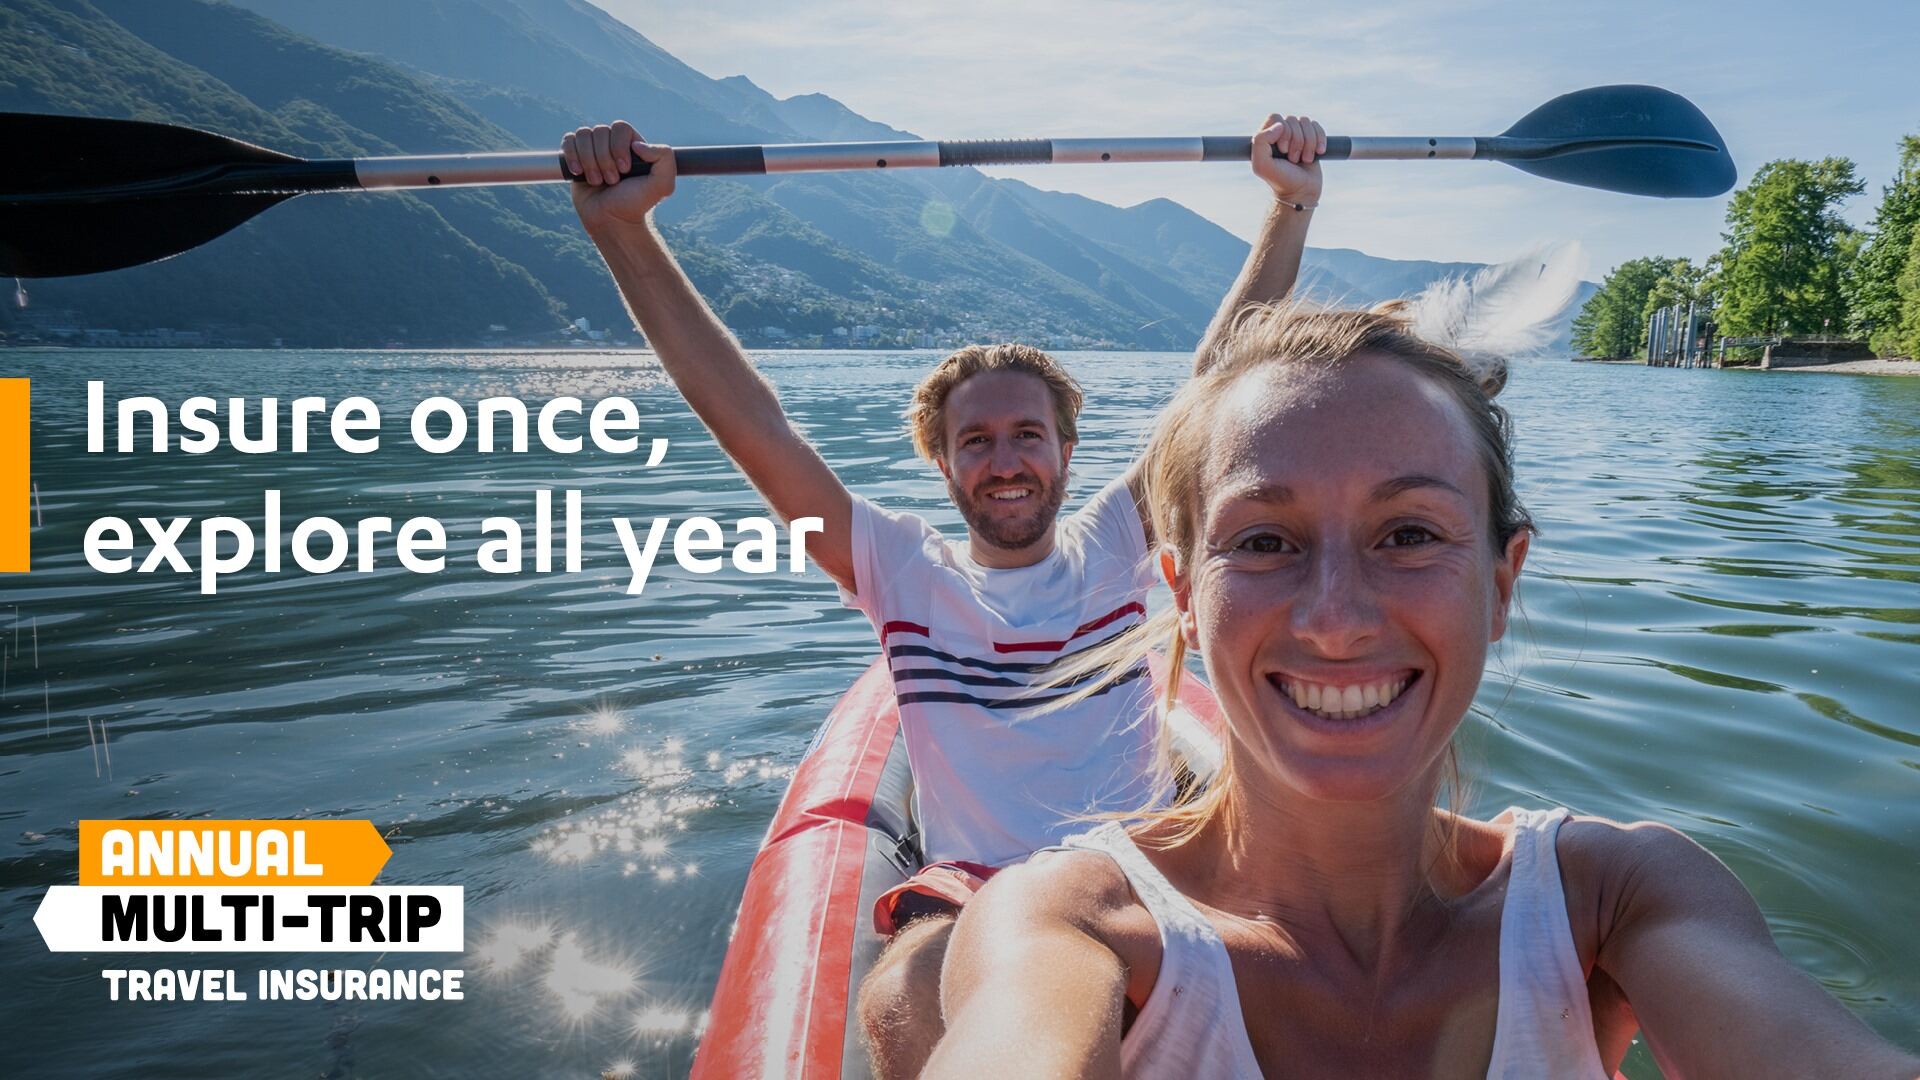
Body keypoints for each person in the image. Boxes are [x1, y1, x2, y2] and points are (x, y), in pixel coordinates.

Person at [925, 303, 1920, 1078]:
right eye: (1264, 542)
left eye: (1408, 536)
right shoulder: (1065, 925)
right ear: (1183, 596)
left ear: (1500, 582)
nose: (1337, 618)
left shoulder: (1620, 899)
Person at [564, 113, 1330, 1076]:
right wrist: (623, 233)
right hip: (974, 889)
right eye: (976, 442)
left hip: (1138, 869)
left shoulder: (1117, 544)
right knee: (902, 992)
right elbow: (750, 421)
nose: (1005, 461)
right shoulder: (900, 569)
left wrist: (1290, 205)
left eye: (1025, 435)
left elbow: (1215, 378)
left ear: (1065, 448)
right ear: (941, 461)